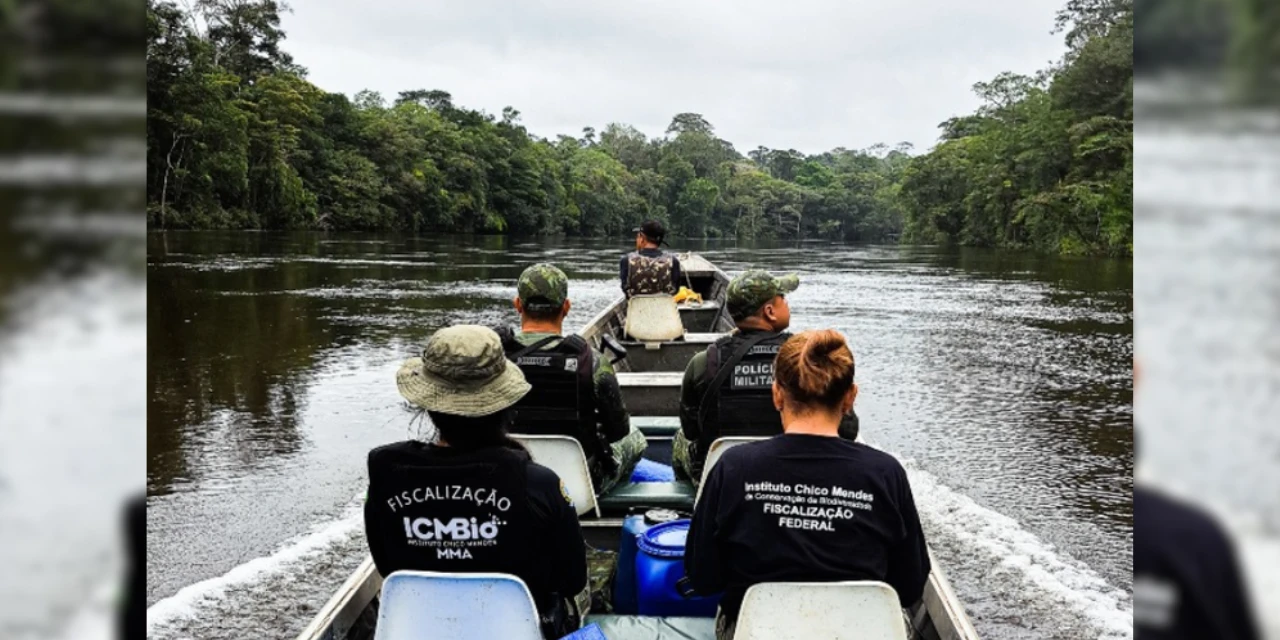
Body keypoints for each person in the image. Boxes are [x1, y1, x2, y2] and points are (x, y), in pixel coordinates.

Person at [684, 330, 929, 640]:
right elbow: (909, 586)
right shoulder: (886, 473)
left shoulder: (733, 467)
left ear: (777, 394)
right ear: (850, 397)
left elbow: (703, 577)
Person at [364, 325, 588, 638]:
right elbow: (573, 579)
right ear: (503, 404)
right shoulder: (539, 483)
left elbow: (387, 565)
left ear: (430, 405)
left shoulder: (386, 473)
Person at [673, 270, 858, 483]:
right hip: (796, 476)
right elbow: (848, 430)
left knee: (679, 439)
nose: (787, 304)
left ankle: (690, 498)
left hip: (724, 479)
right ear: (770, 312)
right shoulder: (810, 361)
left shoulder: (704, 363)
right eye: (783, 298)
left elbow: (691, 430)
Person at [496, 263, 646, 494]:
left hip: (507, 477)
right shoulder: (592, 361)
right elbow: (618, 431)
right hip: (577, 487)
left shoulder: (493, 359)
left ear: (518, 305)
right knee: (635, 438)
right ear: (566, 307)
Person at [620, 219, 682, 298]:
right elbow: (675, 290)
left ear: (642, 238)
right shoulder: (673, 261)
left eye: (638, 236)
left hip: (636, 305)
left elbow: (625, 288)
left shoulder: (626, 260)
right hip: (664, 305)